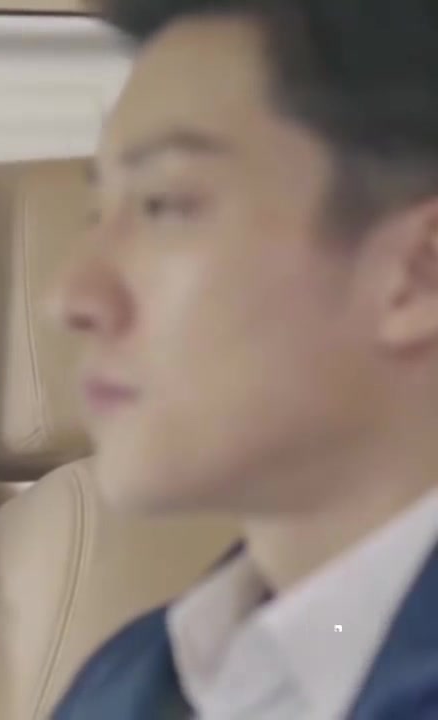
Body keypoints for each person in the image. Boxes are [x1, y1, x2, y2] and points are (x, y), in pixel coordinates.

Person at [50, 1, 438, 718]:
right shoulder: (129, 680)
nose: (73, 296)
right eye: (95, 214)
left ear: (419, 274)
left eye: (165, 205)